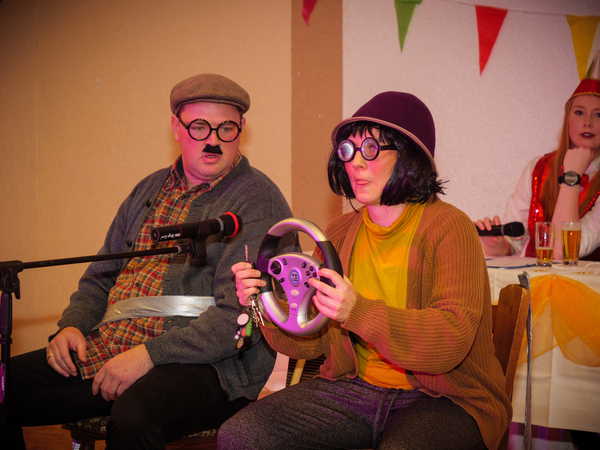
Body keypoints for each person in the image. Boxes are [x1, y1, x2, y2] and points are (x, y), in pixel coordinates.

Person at [1, 73, 296, 450]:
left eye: (226, 129)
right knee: (5, 387)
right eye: (199, 127)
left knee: (134, 416)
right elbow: (101, 276)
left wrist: (149, 356)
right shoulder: (149, 189)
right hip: (112, 345)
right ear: (176, 127)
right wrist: (72, 325)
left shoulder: (257, 201)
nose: (213, 140)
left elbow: (237, 317)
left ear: (242, 129)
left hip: (209, 364)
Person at [219, 91, 510, 450]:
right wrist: (265, 302)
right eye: (347, 151)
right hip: (355, 389)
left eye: (370, 149)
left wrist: (357, 311)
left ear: (409, 156)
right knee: (242, 435)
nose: (354, 163)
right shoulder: (340, 232)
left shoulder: (450, 227)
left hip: (444, 397)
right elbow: (310, 343)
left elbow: (450, 341)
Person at [476, 52, 600, 261]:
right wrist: (499, 246)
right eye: (579, 112)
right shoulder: (539, 167)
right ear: (567, 119)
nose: (587, 122)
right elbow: (515, 240)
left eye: (598, 114)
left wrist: (571, 177)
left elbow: (563, 251)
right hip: (534, 278)